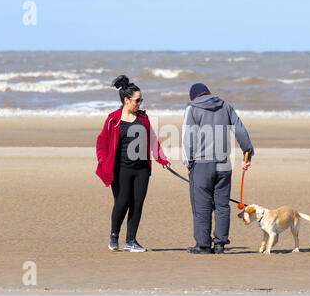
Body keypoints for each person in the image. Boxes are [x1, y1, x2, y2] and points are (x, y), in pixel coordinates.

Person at [96, 75, 170, 252]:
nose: (140, 103)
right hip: (120, 169)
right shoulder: (113, 120)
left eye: (141, 100)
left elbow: (152, 140)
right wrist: (104, 161)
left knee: (137, 204)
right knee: (122, 202)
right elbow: (102, 143)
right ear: (126, 100)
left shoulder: (143, 118)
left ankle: (131, 241)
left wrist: (161, 158)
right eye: (138, 100)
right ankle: (114, 235)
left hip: (141, 170)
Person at [182, 83, 254, 254]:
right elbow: (240, 130)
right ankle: (220, 244)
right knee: (222, 205)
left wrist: (188, 162)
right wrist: (247, 152)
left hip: (202, 163)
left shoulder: (192, 108)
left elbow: (188, 138)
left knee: (202, 206)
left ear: (194, 97)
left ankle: (203, 245)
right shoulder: (225, 106)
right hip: (224, 164)